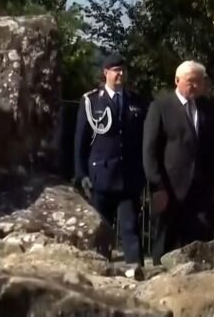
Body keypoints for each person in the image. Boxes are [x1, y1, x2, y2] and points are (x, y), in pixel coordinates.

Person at [142, 60, 214, 265]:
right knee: (166, 243)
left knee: (200, 245)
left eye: (199, 82)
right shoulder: (161, 107)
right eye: (190, 81)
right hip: (170, 189)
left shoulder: (209, 109)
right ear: (177, 80)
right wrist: (157, 186)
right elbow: (150, 149)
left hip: (202, 190)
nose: (195, 86)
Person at [73, 54, 146, 277]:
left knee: (130, 228)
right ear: (105, 72)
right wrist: (80, 174)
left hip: (128, 177)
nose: (120, 74)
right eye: (115, 70)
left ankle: (136, 273)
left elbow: (143, 140)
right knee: (100, 231)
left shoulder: (136, 102)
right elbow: (80, 142)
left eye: (123, 70)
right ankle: (98, 273)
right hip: (101, 176)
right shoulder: (91, 101)